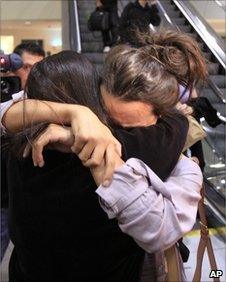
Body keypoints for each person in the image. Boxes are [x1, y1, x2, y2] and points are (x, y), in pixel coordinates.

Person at [2, 30, 206, 280]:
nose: (107, 131)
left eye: (129, 126)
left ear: (159, 118)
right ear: (96, 98)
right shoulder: (157, 136)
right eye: (107, 119)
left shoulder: (160, 145)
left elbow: (158, 229)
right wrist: (77, 114)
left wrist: (70, 126)